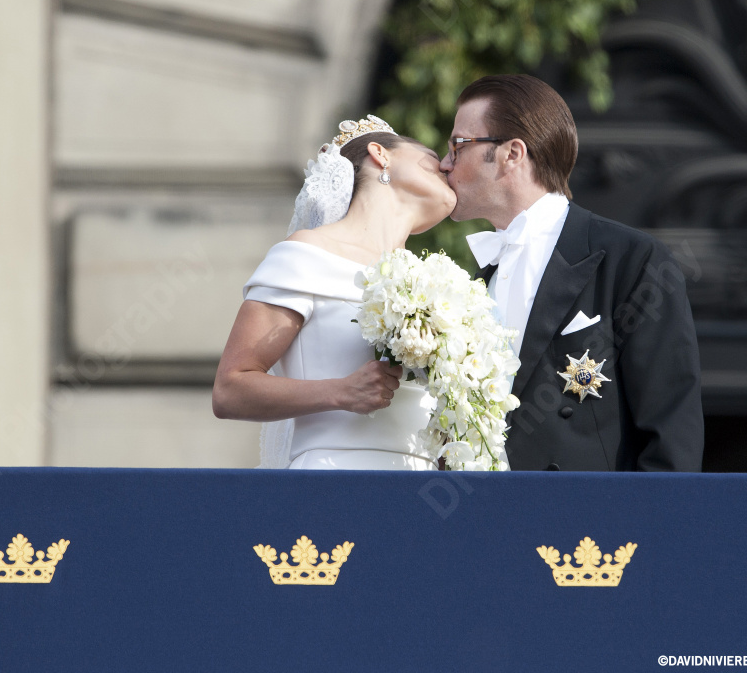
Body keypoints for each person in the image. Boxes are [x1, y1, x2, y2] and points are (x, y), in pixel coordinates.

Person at [440, 75, 704, 471]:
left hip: (586, 510)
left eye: (458, 146)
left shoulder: (633, 259)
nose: (445, 164)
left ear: (512, 153)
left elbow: (672, 434)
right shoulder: (475, 277)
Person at [212, 116, 456, 470]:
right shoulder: (306, 254)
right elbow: (230, 390)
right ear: (380, 154)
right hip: (334, 474)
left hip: (419, 483)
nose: (447, 166)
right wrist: (341, 391)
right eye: (433, 158)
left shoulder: (439, 285)